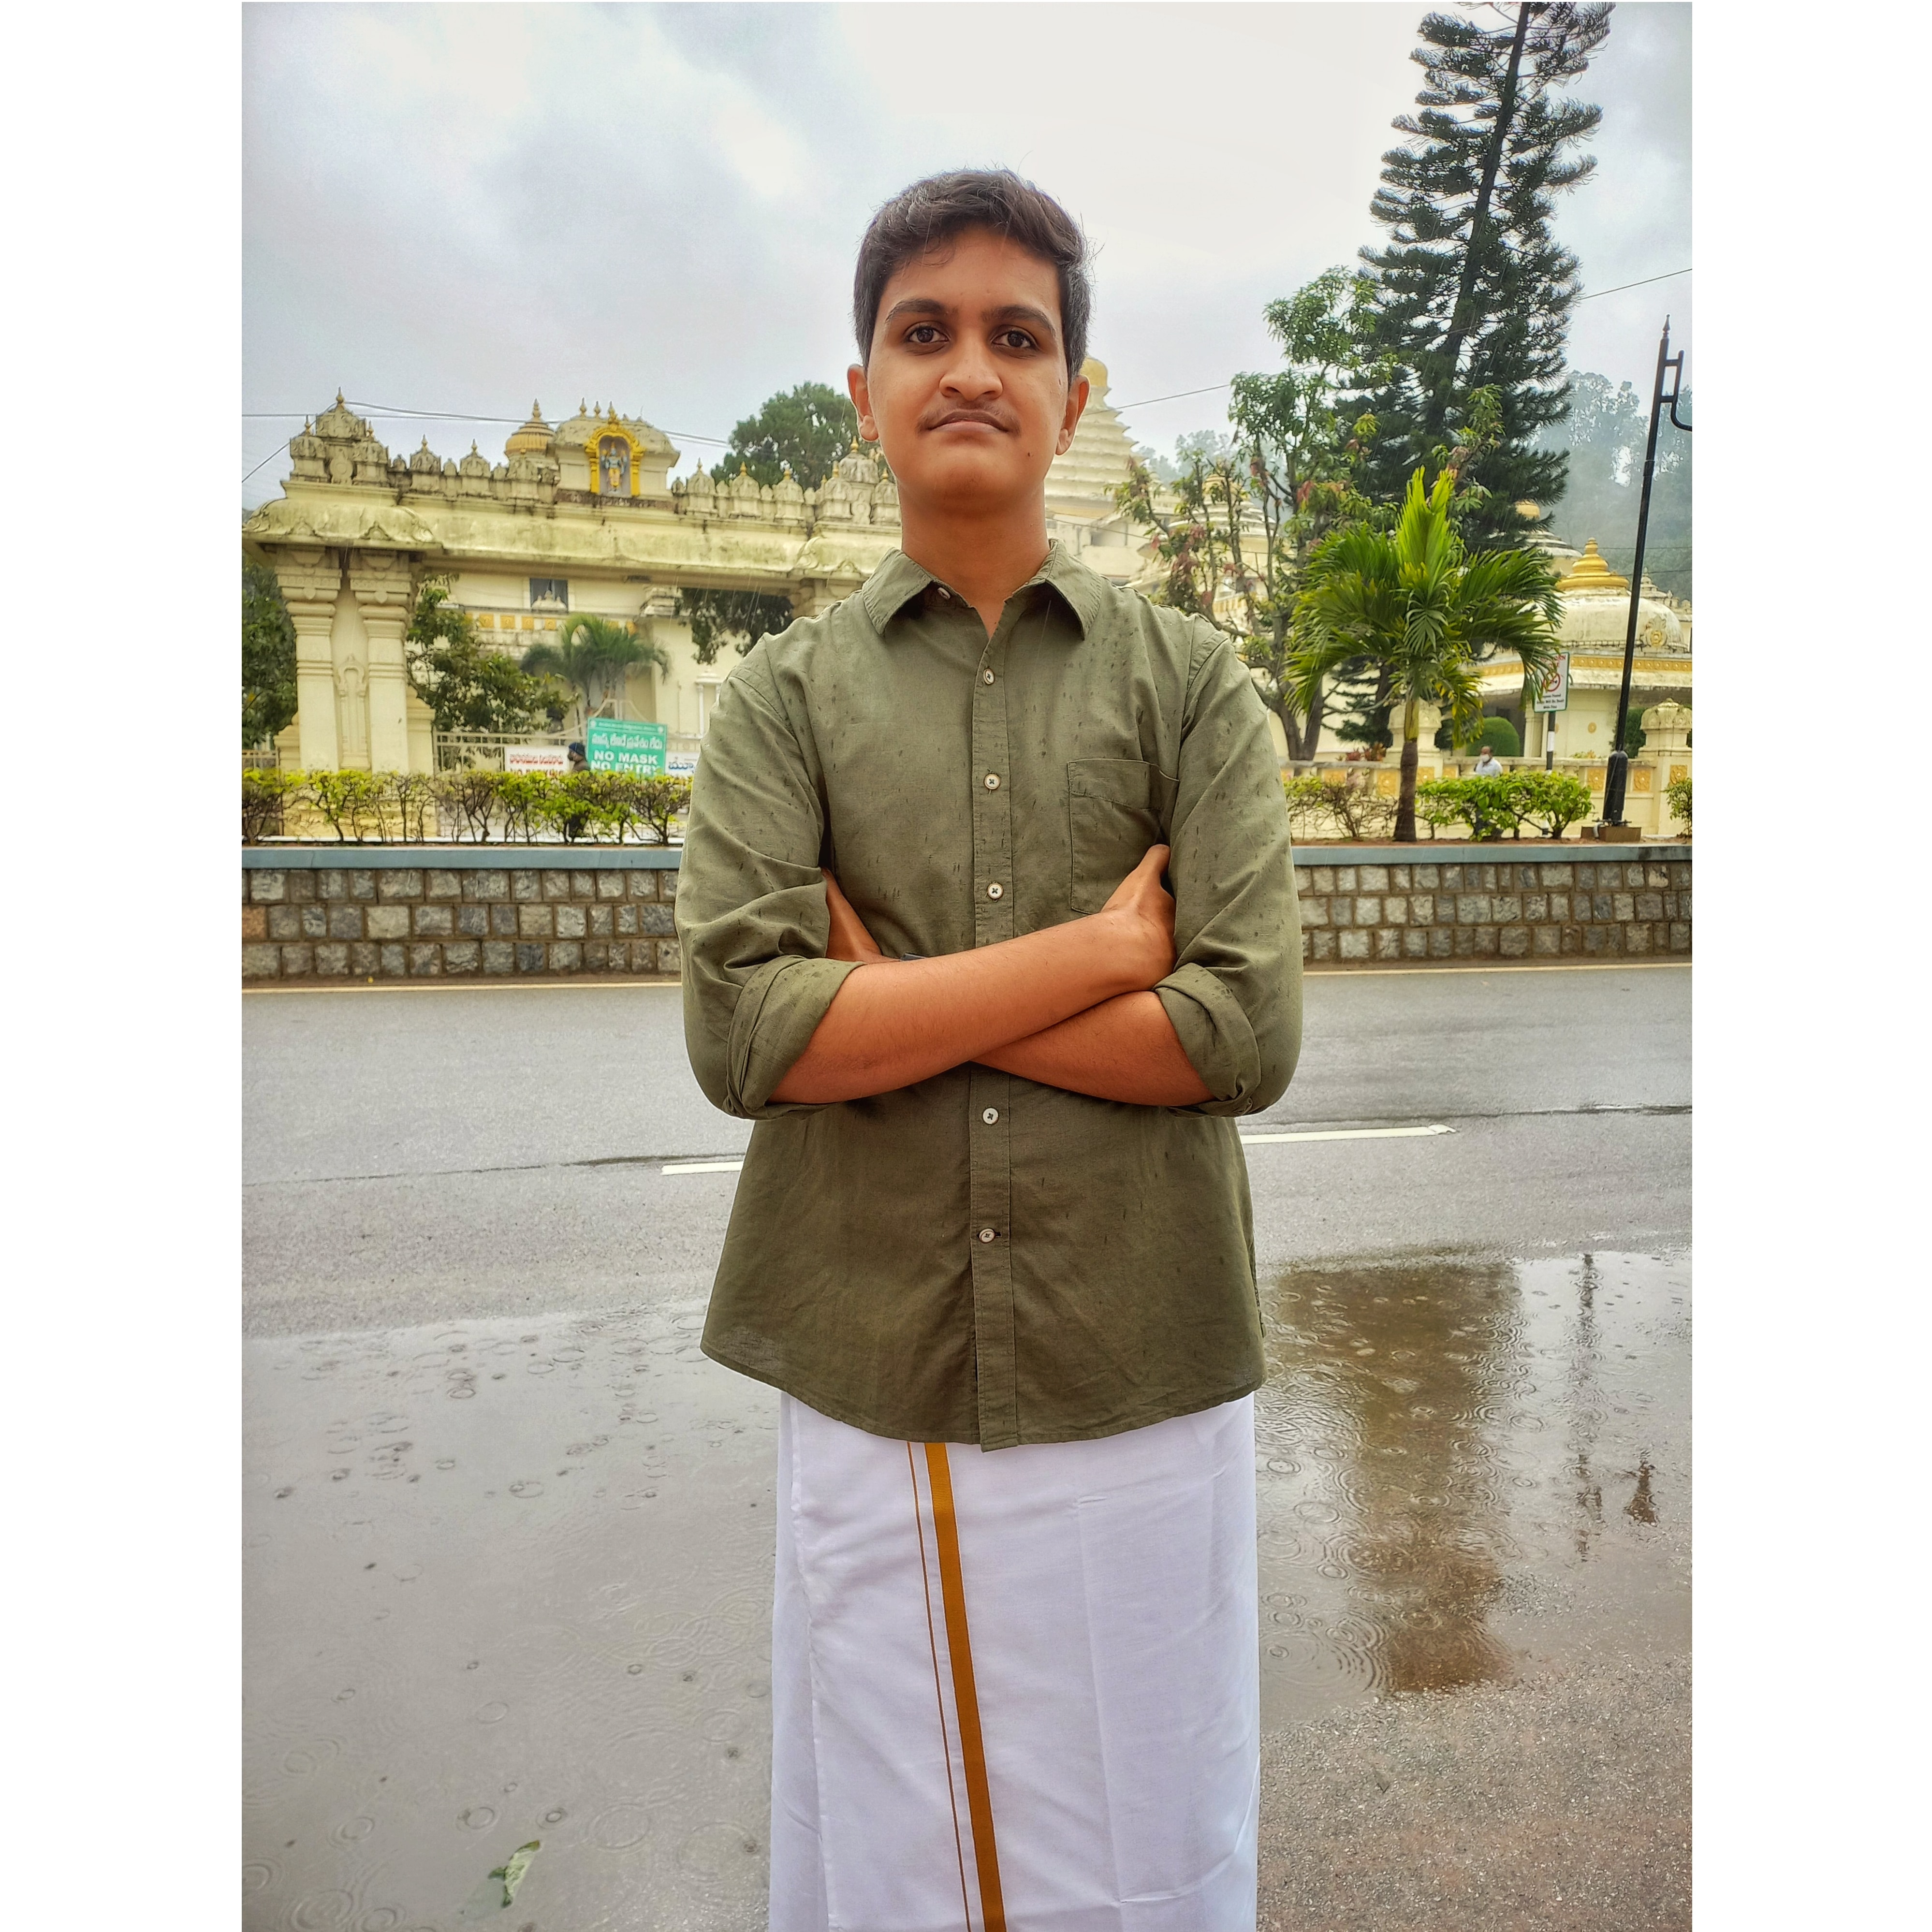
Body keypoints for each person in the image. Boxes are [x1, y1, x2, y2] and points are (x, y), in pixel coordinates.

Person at [677, 169, 1300, 1932]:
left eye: (1016, 335)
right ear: (863, 386)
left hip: (1135, 1340)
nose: (969, 366)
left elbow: (1243, 1030)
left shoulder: (1190, 684)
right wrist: (1094, 956)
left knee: (1145, 1800)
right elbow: (746, 1030)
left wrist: (896, 1008)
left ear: (1071, 397)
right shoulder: (783, 697)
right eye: (923, 330)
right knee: (896, 1817)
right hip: (868, 1343)